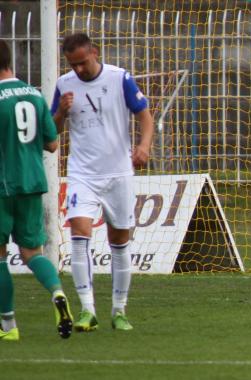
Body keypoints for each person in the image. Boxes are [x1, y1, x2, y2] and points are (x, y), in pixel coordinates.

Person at [51, 32, 154, 332]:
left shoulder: (119, 78)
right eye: (73, 65)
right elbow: (52, 131)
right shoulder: (63, 85)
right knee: (79, 232)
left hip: (118, 172)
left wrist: (144, 146)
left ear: (94, 52)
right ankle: (87, 309)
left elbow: (145, 116)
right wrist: (60, 113)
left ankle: (119, 310)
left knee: (119, 241)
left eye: (82, 62)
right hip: (82, 173)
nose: (79, 70)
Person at [0, 40, 74, 341]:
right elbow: (52, 143)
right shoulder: (34, 94)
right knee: (32, 252)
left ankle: (8, 326)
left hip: (3, 185)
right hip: (33, 182)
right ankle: (57, 291)